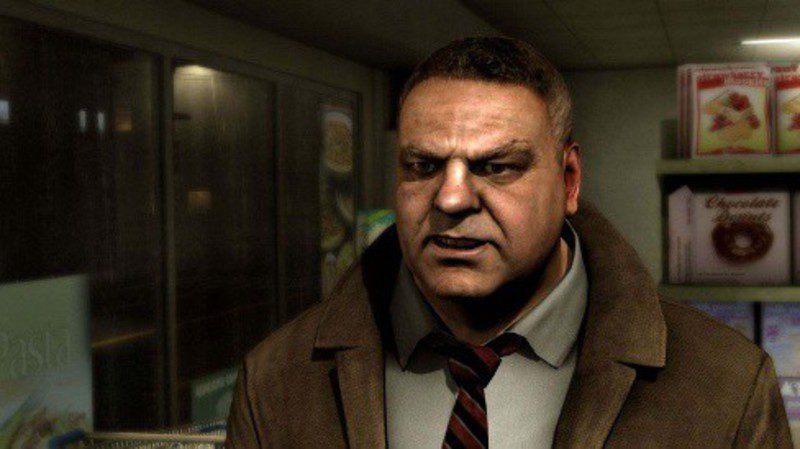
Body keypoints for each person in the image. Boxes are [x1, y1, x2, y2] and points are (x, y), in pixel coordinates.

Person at [225, 37, 792, 448]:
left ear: (569, 181)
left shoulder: (725, 387)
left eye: (496, 167)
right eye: (423, 166)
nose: (451, 199)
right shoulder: (278, 381)